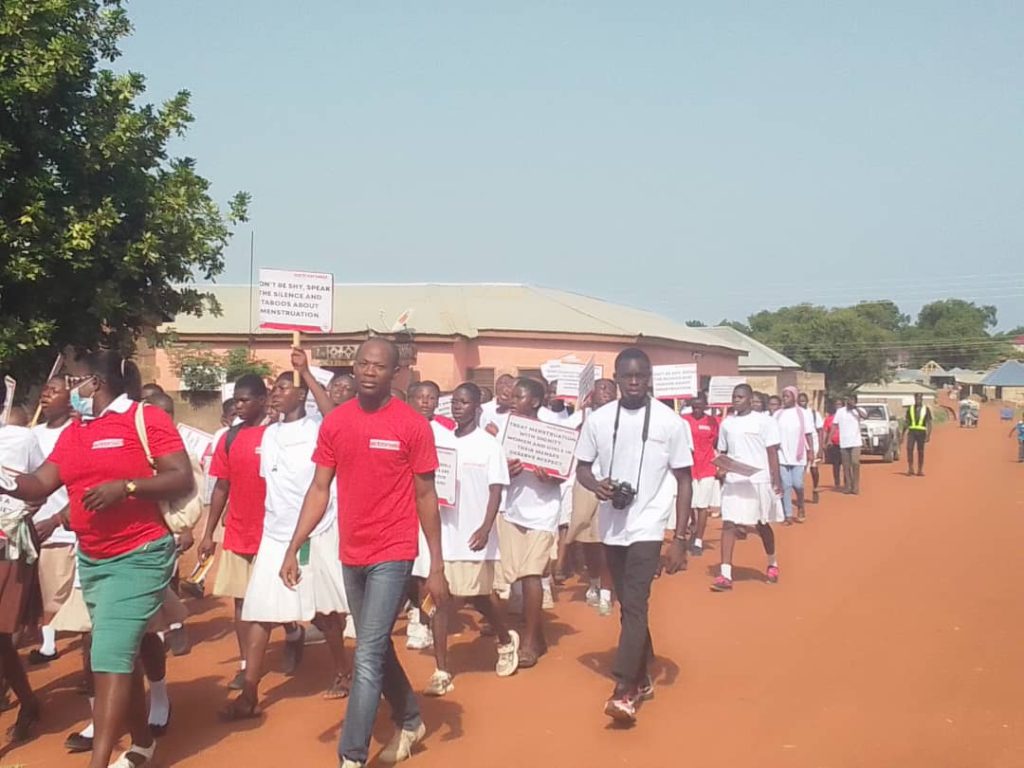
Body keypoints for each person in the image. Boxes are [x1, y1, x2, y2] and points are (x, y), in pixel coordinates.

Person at [1, 351, 192, 768]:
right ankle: (142, 744)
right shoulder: (76, 431)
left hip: (141, 555)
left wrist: (126, 487)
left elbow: (181, 476)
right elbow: (39, 484)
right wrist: (3, 477)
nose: (68, 388)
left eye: (73, 380)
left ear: (95, 384)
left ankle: (99, 762)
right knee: (123, 654)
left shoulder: (144, 418)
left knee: (108, 655)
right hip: (93, 559)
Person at [279, 338, 448, 768]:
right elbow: (319, 488)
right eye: (363, 364)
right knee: (376, 645)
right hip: (351, 552)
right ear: (353, 368)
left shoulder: (413, 426)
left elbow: (426, 496)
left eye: (379, 366)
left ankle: (351, 756)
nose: (369, 372)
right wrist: (294, 545)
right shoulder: (336, 423)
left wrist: (436, 565)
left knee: (368, 651)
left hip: (394, 551)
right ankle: (410, 719)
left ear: (395, 373)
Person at [223, 372, 351, 718]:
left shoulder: (318, 430)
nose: (275, 394)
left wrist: (305, 372)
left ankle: (342, 671)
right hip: (275, 534)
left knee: (325, 611)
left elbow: (335, 419)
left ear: (302, 394)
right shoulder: (269, 435)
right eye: (274, 389)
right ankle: (249, 692)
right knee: (260, 611)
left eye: (283, 388)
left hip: (315, 531)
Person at [576, 348, 693, 722]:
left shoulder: (670, 422)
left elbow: (685, 479)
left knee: (636, 602)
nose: (634, 382)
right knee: (627, 604)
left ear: (649, 378)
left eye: (641, 375)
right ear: (616, 378)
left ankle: (624, 689)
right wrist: (596, 485)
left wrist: (680, 539)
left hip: (649, 525)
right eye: (627, 376)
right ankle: (642, 674)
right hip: (613, 524)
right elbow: (582, 468)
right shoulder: (598, 420)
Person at [199, 375, 304, 689]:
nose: (238, 406)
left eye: (245, 400)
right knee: (241, 601)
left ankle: (293, 633)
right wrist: (208, 533)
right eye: (236, 400)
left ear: (262, 400)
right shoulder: (229, 438)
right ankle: (246, 666)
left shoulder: (278, 436)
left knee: (274, 599)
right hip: (238, 532)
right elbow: (221, 486)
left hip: (273, 534)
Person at [425, 383, 519, 696]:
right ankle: (441, 670)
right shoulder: (441, 442)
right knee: (441, 601)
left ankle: (505, 640)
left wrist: (486, 527)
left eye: (465, 402)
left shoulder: (489, 446)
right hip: (444, 534)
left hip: (474, 535)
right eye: (455, 402)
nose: (458, 407)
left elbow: (496, 490)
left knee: (480, 597)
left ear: (477, 408)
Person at [498, 377, 565, 668]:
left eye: (519, 396)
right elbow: (495, 471)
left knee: (531, 575)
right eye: (512, 396)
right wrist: (507, 472)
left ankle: (528, 643)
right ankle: (537, 635)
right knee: (512, 575)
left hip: (543, 513)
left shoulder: (552, 434)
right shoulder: (505, 431)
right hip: (513, 511)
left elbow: (563, 473)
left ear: (535, 401)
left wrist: (551, 477)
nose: (512, 400)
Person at [711, 383, 783, 593]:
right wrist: (722, 469)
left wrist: (776, 479)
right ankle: (725, 574)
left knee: (761, 524)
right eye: (734, 396)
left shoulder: (765, 421)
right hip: (735, 480)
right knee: (729, 524)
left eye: (740, 397)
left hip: (758, 480)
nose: (736, 400)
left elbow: (772, 452)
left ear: (750, 400)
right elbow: (723, 452)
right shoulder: (727, 424)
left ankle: (772, 563)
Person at [0, 420, 44, 743]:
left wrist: (21, 507)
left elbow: (42, 486)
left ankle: (28, 703)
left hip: (9, 544)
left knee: (1, 635)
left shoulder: (20, 438)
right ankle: (28, 701)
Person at [28, 376, 76, 666]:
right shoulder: (31, 435)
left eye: (54, 391)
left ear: (70, 399)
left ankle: (55, 647)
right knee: (45, 592)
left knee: (68, 593)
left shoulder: (78, 432)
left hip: (68, 528)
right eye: (44, 390)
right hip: (38, 529)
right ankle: (46, 642)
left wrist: (59, 518)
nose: (45, 395)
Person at [405, 380, 455, 651]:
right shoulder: (401, 427)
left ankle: (424, 621)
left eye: (431, 397)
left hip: (433, 510)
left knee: (426, 570)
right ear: (410, 399)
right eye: (420, 396)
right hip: (402, 508)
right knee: (408, 573)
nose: (425, 402)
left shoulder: (447, 434)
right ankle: (417, 611)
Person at [681, 393, 719, 556]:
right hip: (689, 467)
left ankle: (698, 540)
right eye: (694, 406)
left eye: (700, 406)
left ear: (705, 406)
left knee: (703, 506)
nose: (697, 409)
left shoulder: (712, 422)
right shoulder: (683, 420)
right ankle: (694, 524)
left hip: (707, 467)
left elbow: (715, 442)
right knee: (689, 503)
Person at [774, 387, 814, 525]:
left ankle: (801, 504)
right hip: (781, 454)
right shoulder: (777, 414)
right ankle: (788, 515)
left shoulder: (803, 413)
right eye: (783, 396)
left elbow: (808, 434)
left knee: (797, 483)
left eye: (788, 396)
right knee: (785, 485)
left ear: (794, 397)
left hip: (798, 454)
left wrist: (811, 451)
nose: (785, 399)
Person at [829, 396, 866, 495]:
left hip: (856, 442)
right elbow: (834, 425)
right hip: (844, 443)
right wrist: (829, 439)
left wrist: (855, 408)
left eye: (852, 400)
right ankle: (848, 486)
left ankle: (856, 486)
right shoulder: (840, 411)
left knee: (855, 462)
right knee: (846, 466)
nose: (850, 402)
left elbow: (864, 416)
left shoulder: (859, 411)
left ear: (855, 401)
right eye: (848, 400)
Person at [797, 392, 824, 503]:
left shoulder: (813, 413)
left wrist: (821, 448)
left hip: (814, 441)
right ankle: (800, 492)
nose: (802, 402)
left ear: (807, 401)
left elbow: (820, 431)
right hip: (800, 443)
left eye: (803, 400)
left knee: (814, 467)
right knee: (801, 469)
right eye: (800, 400)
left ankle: (815, 488)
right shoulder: (795, 413)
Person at [905, 394, 932, 476]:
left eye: (919, 399)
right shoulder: (910, 409)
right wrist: (902, 434)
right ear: (914, 399)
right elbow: (907, 421)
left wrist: (928, 435)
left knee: (920, 451)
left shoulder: (926, 409)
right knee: (909, 449)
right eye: (916, 399)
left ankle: (920, 470)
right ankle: (910, 468)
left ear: (922, 399)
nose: (918, 401)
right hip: (912, 432)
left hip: (921, 432)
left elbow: (929, 422)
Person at [821, 400, 843, 488]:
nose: (838, 406)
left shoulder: (845, 417)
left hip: (845, 444)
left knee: (846, 465)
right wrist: (824, 442)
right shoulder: (829, 419)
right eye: (837, 404)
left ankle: (847, 483)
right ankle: (837, 482)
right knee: (836, 464)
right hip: (834, 444)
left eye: (840, 404)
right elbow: (825, 431)